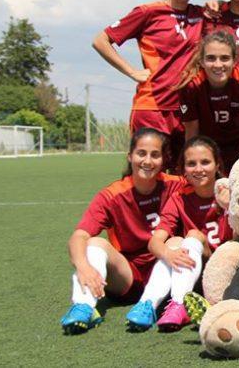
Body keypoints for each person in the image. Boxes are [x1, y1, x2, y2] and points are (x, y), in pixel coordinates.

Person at [59, 128, 184, 334]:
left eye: (155, 155)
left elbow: (206, 188)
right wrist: (83, 267)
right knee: (94, 243)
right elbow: (78, 236)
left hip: (166, 270)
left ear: (163, 160)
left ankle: (151, 305)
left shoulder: (176, 185)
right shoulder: (112, 195)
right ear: (130, 156)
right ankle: (84, 306)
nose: (147, 161)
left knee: (176, 241)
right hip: (128, 277)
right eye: (141, 153)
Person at [92, 0, 207, 169]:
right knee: (147, 175)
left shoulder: (201, 15)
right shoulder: (148, 12)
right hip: (152, 108)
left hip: (185, 111)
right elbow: (101, 41)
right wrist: (132, 72)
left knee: (181, 177)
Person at [124, 136, 231, 332]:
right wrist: (168, 254)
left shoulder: (231, 193)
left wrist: (231, 205)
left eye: (205, 162)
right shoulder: (179, 198)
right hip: (194, 271)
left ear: (217, 165)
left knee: (193, 235)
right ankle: (148, 304)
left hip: (227, 271)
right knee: (173, 241)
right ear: (183, 170)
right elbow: (154, 242)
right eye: (191, 164)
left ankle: (180, 303)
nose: (198, 169)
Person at [176, 31, 239, 172]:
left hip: (238, 146)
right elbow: (192, 131)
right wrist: (190, 164)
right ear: (202, 61)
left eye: (225, 58)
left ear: (234, 60)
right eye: (211, 58)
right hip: (206, 147)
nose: (218, 64)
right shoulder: (191, 86)